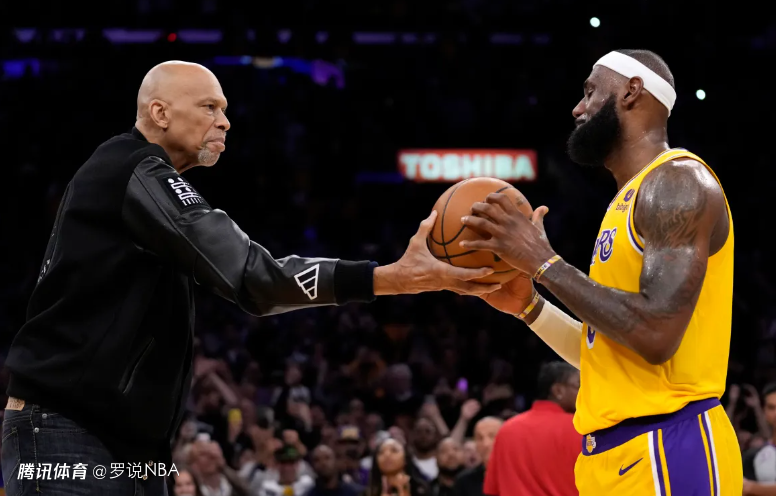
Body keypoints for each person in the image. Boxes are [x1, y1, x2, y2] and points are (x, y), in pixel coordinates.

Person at [0, 61, 497, 496]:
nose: (225, 120)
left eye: (224, 109)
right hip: (70, 428)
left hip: (120, 438)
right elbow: (253, 276)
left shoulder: (130, 178)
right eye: (210, 107)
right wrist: (388, 278)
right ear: (160, 113)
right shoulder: (136, 168)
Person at [464, 49, 742, 494]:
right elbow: (608, 355)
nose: (578, 108)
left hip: (666, 445)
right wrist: (530, 308)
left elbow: (655, 333)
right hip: (612, 455)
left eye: (590, 91)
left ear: (632, 91)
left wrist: (544, 262)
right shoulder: (626, 200)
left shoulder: (678, 182)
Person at [484, 362, 580, 496]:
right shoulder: (580, 428)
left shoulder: (507, 430)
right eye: (579, 386)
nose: (586, 392)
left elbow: (492, 490)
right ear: (558, 391)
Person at [452, 417, 502, 496]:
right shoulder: (464, 481)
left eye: (492, 436)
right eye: (479, 438)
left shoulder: (520, 475)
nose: (485, 444)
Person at [364, 437, 429, 496]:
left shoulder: (421, 490)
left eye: (394, 450)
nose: (387, 455)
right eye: (381, 452)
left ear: (406, 458)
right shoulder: (368, 493)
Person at [742, 383, 776, 495]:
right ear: (764, 410)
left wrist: (751, 488)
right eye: (771, 407)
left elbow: (746, 487)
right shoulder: (753, 456)